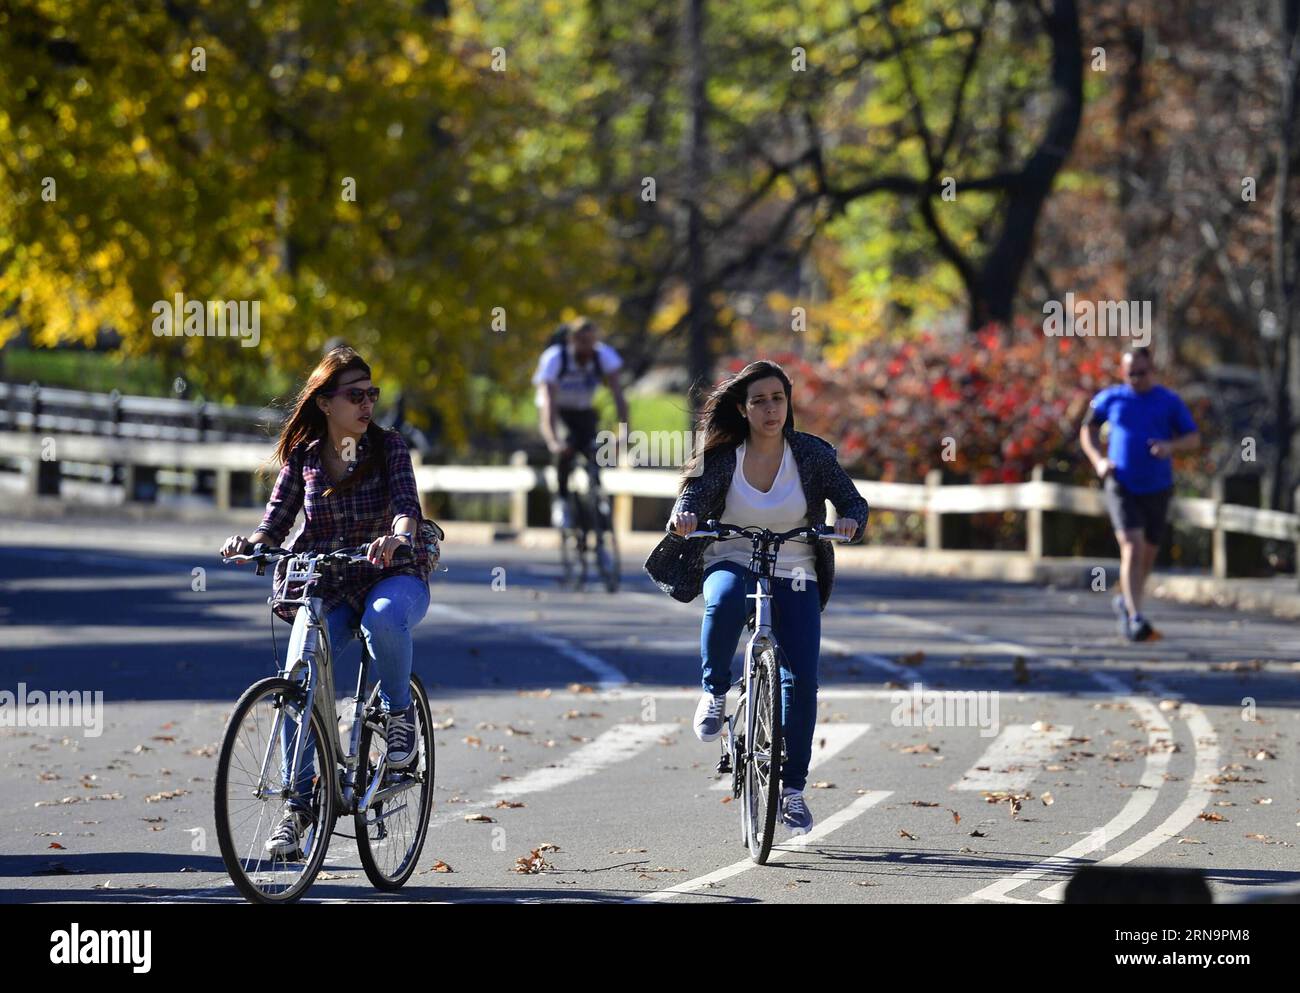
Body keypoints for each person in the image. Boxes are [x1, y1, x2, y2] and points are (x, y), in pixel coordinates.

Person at [220, 346, 437, 855]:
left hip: (391, 572)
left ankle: (399, 717)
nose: (367, 405)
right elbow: (275, 520)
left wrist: (396, 537)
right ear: (324, 403)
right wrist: (249, 543)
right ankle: (299, 807)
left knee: (383, 621)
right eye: (355, 395)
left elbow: (407, 508)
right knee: (301, 673)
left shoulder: (389, 448)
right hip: (328, 579)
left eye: (372, 394)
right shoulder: (305, 457)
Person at [644, 360, 868, 835]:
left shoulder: (812, 453)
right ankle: (714, 691)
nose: (771, 409)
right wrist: (685, 517)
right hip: (733, 554)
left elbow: (853, 501)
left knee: (801, 679)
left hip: (796, 566)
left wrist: (849, 520)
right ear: (743, 410)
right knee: (723, 600)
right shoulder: (724, 455)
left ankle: (793, 792)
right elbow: (692, 496)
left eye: (778, 399)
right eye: (759, 401)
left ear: (789, 404)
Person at [1081, 346, 1199, 642]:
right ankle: (1135, 617)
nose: (1136, 379)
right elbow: (1087, 429)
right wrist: (1098, 460)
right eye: (1130, 373)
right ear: (1123, 372)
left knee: (1147, 553)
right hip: (1120, 482)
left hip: (1158, 485)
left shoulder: (1169, 401)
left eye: (1142, 373)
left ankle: (1125, 600)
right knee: (1131, 547)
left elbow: (1193, 437)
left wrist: (1170, 447)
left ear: (1152, 370)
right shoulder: (1111, 398)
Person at [533, 318, 630, 528]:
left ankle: (597, 495)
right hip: (558, 411)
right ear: (571, 341)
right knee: (565, 449)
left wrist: (624, 430)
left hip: (583, 409)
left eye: (591, 342)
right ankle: (561, 501)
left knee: (594, 449)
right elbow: (548, 403)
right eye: (581, 342)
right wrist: (553, 440)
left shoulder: (603, 355)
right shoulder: (555, 359)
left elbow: (618, 395)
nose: (587, 348)